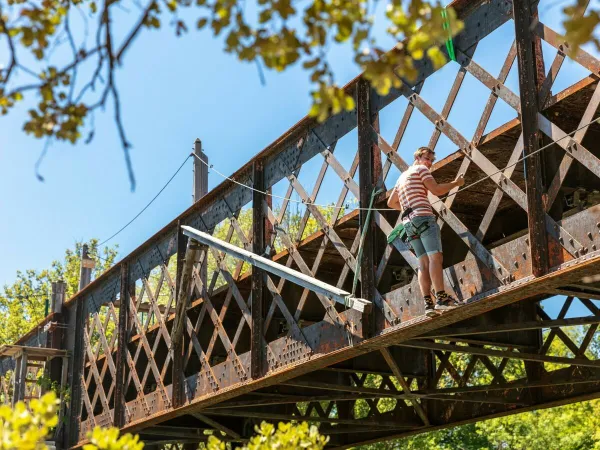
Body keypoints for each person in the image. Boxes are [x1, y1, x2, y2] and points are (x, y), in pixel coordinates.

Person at [387, 146, 465, 317]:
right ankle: (442, 299)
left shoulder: (401, 178)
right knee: (435, 258)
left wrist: (409, 207)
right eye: (427, 159)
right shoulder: (421, 170)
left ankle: (428, 304)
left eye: (431, 160)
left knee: (423, 263)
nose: (429, 163)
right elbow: (436, 190)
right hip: (424, 218)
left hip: (409, 224)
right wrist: (456, 184)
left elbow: (391, 203)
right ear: (418, 157)